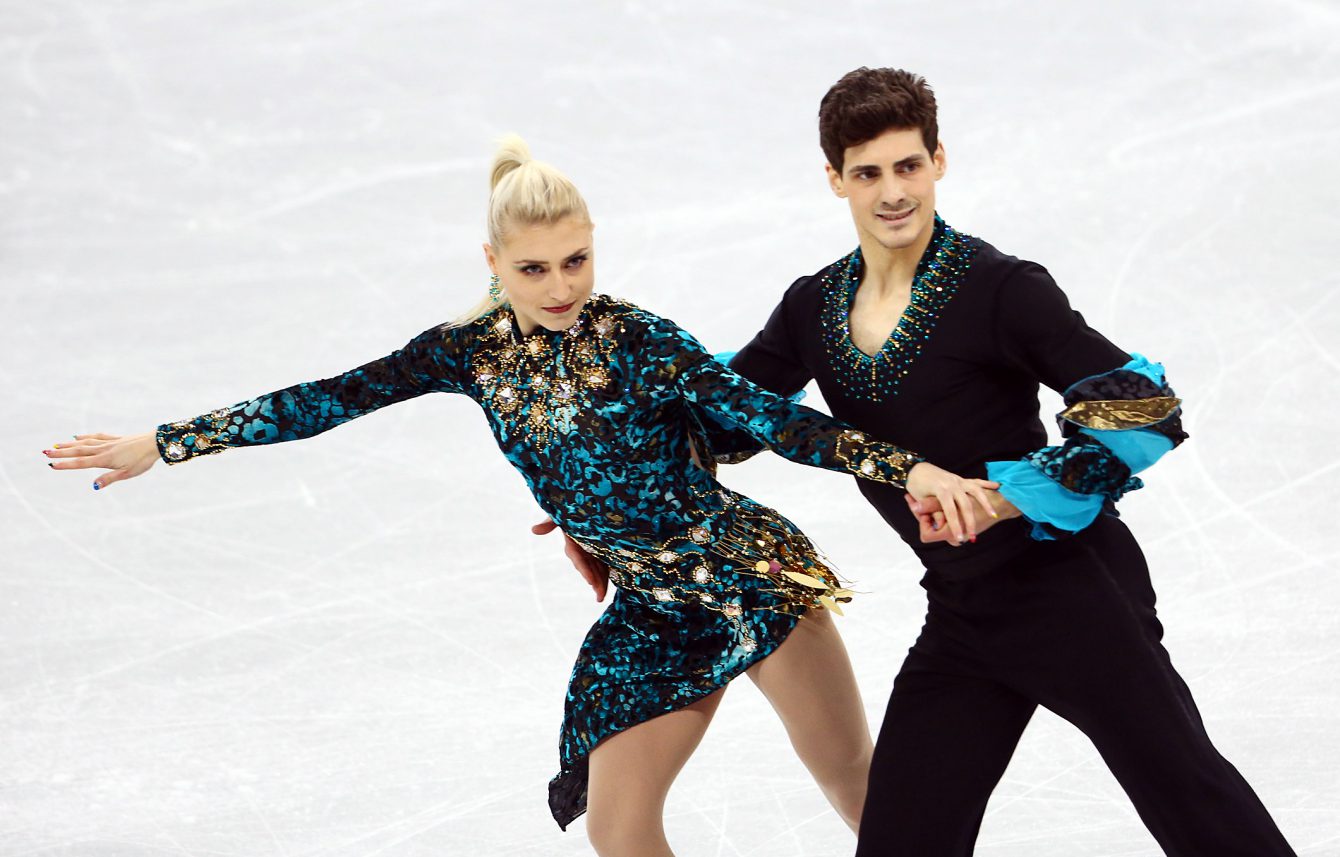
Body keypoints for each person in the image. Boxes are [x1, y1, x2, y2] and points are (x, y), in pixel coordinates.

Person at [45, 134, 1001, 857]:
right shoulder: (466, 352)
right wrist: (165, 444)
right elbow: (325, 400)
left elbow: (775, 420)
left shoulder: (639, 337)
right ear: (493, 263)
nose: (560, 285)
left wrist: (906, 465)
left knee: (860, 790)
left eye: (576, 261)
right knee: (621, 833)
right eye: (535, 268)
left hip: (747, 577)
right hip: (650, 612)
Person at [552, 69, 1298, 856]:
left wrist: (1009, 495)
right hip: (965, 615)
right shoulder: (814, 307)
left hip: (1075, 597)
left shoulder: (999, 288)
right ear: (835, 179)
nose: (892, 192)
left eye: (908, 165)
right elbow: (724, 418)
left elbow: (1146, 406)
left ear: (939, 160)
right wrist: (597, 491)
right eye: (868, 172)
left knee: (1191, 796)